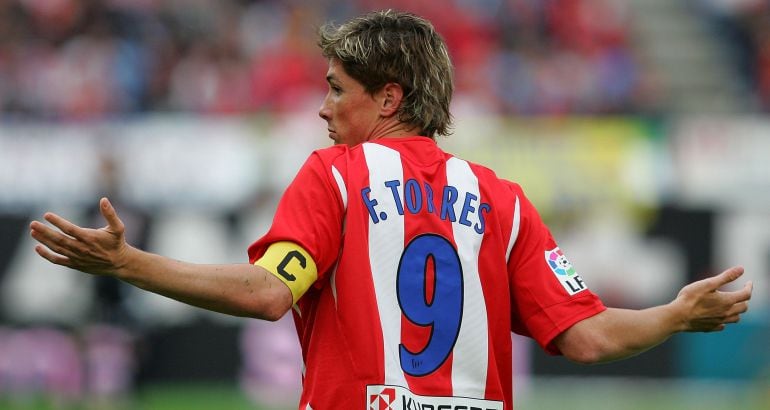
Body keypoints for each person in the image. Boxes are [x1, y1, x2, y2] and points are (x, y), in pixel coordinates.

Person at [29, 10, 753, 410]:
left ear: (389, 98)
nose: (321, 106)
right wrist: (675, 316)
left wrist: (126, 263)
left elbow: (267, 294)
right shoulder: (500, 199)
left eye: (337, 88)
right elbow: (587, 338)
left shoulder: (336, 176)